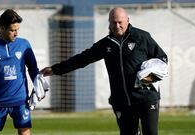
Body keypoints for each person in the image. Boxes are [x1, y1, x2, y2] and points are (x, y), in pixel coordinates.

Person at [40, 7, 168, 135]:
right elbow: (83, 58)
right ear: (109, 22)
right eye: (113, 22)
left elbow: (162, 59)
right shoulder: (106, 44)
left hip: (147, 97)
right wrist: (55, 69)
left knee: (151, 133)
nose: (117, 26)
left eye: (120, 22)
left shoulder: (142, 37)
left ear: (127, 20)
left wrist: (150, 77)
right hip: (121, 101)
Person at [0, 9, 39, 135]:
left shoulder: (24, 44)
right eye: (12, 30)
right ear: (2, 28)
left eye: (17, 30)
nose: (16, 33)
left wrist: (38, 87)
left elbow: (33, 68)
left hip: (20, 102)